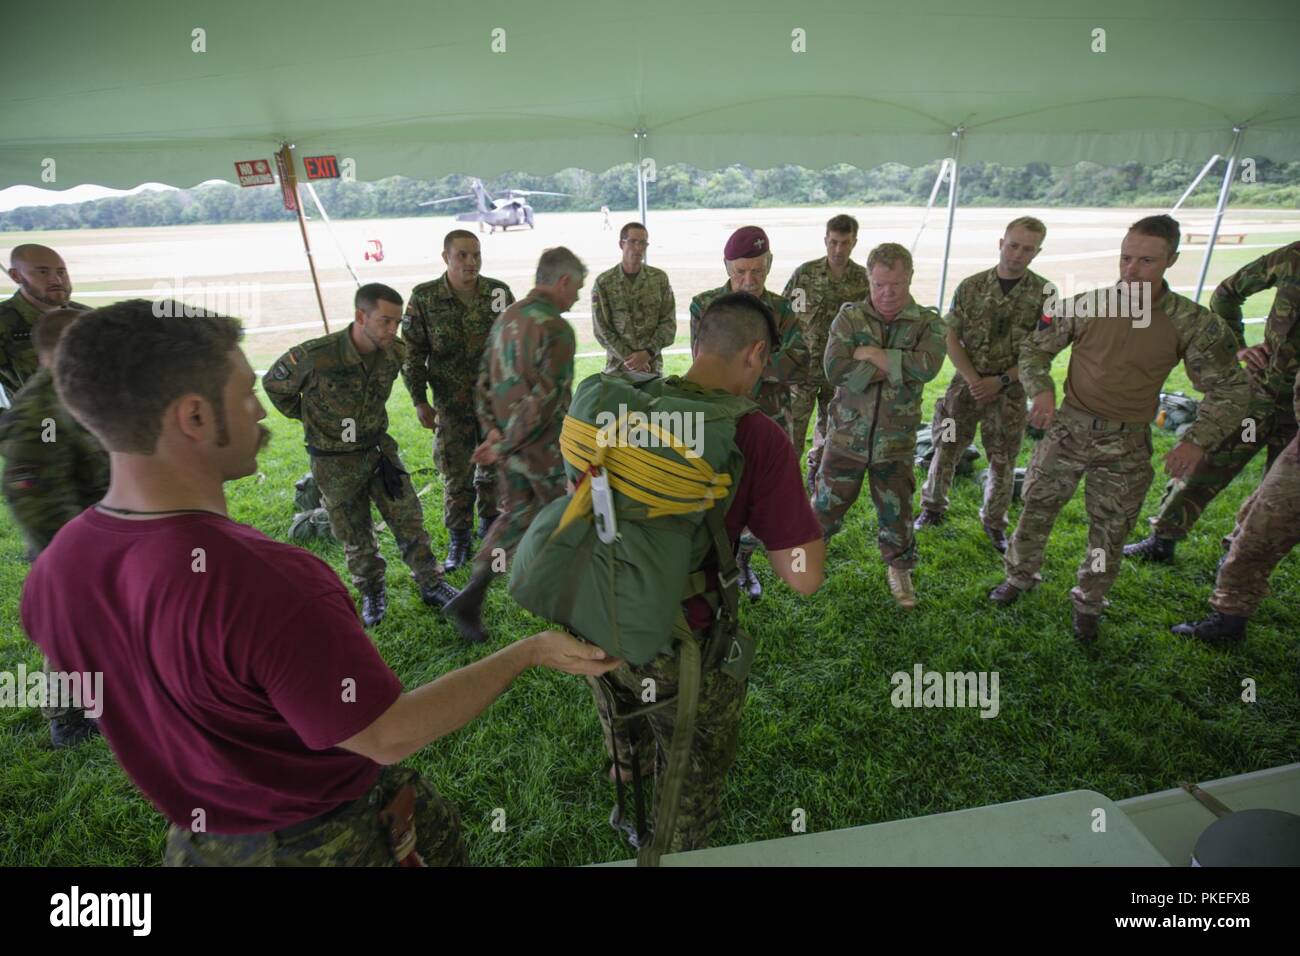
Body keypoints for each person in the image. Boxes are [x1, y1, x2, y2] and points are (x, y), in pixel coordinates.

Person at [20, 297, 618, 866]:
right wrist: (531, 651)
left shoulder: (56, 572)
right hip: (329, 840)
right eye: (245, 392)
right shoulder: (266, 583)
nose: (259, 410)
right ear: (195, 417)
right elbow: (386, 735)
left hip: (200, 845)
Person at [588, 291, 825, 854]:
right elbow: (803, 576)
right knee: (691, 774)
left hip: (600, 620)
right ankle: (677, 844)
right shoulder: (757, 436)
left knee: (623, 718)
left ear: (695, 346)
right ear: (757, 353)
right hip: (682, 646)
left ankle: (627, 797)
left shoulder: (623, 404)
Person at [989, 215, 1250, 642]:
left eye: (1146, 261)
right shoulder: (1086, 305)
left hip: (1126, 441)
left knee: (1108, 531)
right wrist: (1042, 392)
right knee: (1036, 509)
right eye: (1126, 258)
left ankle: (1089, 601)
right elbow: (1034, 350)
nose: (1131, 270)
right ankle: (1019, 576)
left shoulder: (1192, 323)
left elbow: (1230, 388)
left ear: (1172, 261)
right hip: (1068, 429)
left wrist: (1197, 441)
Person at [263, 283, 457, 628]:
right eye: (384, 321)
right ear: (360, 316)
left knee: (409, 519)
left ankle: (431, 583)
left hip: (378, 452)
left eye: (396, 322)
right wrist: (311, 417)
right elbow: (274, 386)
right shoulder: (316, 355)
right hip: (333, 462)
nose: (391, 330)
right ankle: (372, 591)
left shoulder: (394, 352)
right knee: (354, 532)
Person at [444, 248, 586, 644]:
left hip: (510, 450)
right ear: (561, 282)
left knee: (515, 519)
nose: (576, 297)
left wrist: (493, 434)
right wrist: (503, 442)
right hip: (544, 453)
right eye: (576, 287)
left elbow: (482, 382)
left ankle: (474, 591)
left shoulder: (507, 317)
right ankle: (568, 603)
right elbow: (546, 398)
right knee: (569, 516)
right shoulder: (556, 329)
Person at [1126, 240, 1300, 563]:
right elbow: (1226, 294)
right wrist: (1237, 345)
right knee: (1212, 461)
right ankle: (1162, 539)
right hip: (1259, 401)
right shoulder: (1293, 258)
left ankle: (1240, 552)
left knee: (1278, 490)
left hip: (1297, 419)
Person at [811, 242, 947, 609]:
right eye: (879, 285)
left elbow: (928, 366)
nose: (888, 294)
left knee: (897, 512)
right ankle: (807, 558)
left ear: (910, 279)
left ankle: (899, 568)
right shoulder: (850, 319)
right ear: (868, 279)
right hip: (845, 437)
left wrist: (869, 354)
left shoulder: (928, 322)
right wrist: (896, 367)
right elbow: (836, 371)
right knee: (825, 506)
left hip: (896, 441)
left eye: (897, 285)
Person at [0, 307, 108, 747]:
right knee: (68, 635)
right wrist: (79, 557)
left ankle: (102, 704)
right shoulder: (39, 413)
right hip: (69, 549)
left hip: (101, 539)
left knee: (96, 631)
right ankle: (67, 717)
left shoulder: (82, 395)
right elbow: (37, 502)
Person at [916, 216, 1051, 553]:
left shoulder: (1045, 293)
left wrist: (1001, 380)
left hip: (1010, 393)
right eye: (1013, 245)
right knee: (945, 445)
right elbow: (948, 334)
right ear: (1000, 243)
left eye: (1027, 249)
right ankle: (932, 507)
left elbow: (1042, 348)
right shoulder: (971, 286)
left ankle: (994, 522)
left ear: (1037, 252)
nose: (1018, 254)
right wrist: (975, 379)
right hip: (963, 390)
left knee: (1003, 459)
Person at [690, 226, 810, 599]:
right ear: (727, 267)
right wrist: (762, 363)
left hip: (767, 417)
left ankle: (743, 559)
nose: (748, 280)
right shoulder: (705, 305)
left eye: (757, 271)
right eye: (740, 271)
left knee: (758, 493)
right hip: (719, 419)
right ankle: (707, 562)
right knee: (717, 490)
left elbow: (800, 363)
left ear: (769, 264)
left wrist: (742, 363)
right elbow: (704, 363)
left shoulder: (783, 309)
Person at [402, 231, 515, 572]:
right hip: (450, 405)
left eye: (476, 255)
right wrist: (420, 401)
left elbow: (515, 341)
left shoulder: (498, 292)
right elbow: (412, 353)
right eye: (463, 255)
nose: (471, 262)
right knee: (456, 474)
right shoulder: (425, 297)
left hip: (494, 403)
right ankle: (459, 536)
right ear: (445, 257)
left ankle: (490, 523)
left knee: (494, 467)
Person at [1172, 367, 1300, 644]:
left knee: (1261, 528)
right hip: (1269, 402)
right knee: (1256, 520)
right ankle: (1229, 618)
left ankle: (1229, 618)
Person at [782, 214, 869, 490]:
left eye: (845, 243)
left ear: (855, 242)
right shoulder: (805, 275)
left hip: (840, 374)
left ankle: (817, 478)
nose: (838, 249)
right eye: (833, 242)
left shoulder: (863, 280)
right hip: (803, 370)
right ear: (825, 240)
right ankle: (785, 484)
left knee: (831, 432)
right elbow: (785, 317)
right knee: (792, 431)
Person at [1, 244, 89, 399]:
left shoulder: (88, 317)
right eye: (43, 272)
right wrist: (15, 421)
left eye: (61, 272)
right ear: (16, 276)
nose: (56, 280)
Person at [591, 222, 677, 375]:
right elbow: (602, 329)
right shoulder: (604, 282)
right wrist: (631, 360)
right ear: (621, 244)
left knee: (652, 400)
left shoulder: (659, 279)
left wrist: (647, 354)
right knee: (621, 401)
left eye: (643, 242)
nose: (638, 247)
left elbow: (668, 323)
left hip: (652, 368)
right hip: (618, 371)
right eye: (632, 242)